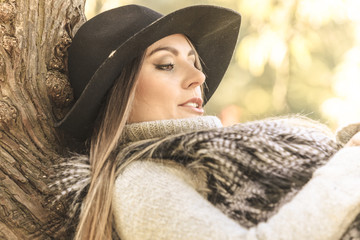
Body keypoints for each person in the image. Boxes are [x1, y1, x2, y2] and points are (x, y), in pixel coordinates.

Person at [53, 4, 360, 240]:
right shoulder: (140, 182)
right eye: (167, 64)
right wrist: (349, 167)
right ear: (116, 93)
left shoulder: (210, 157)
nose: (199, 77)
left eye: (195, 62)